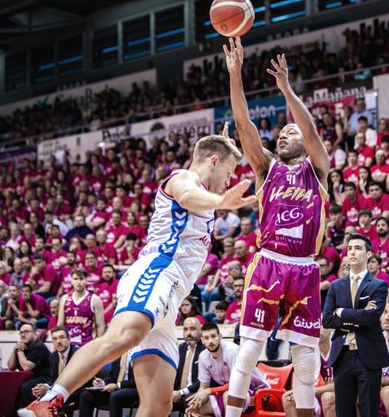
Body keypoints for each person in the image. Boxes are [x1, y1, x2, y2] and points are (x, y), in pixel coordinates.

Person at [23, 131, 252, 416]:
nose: (230, 181)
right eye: (229, 172)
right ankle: (49, 400)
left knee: (159, 403)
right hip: (157, 271)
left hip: (171, 299)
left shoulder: (207, 195)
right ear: (214, 162)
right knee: (123, 336)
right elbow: (188, 195)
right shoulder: (184, 179)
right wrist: (221, 202)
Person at [224, 37, 330, 417]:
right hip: (269, 261)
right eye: (281, 133)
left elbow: (312, 131)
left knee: (305, 361)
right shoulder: (265, 168)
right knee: (249, 349)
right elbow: (243, 123)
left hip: (304, 267)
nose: (283, 134)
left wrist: (286, 89)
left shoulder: (316, 168)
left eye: (290, 132)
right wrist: (235, 75)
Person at [323, 233, 389, 417]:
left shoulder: (379, 285)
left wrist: (342, 312)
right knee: (343, 411)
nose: (352, 252)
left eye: (358, 248)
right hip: (342, 354)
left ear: (368, 254)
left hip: (368, 354)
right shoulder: (335, 285)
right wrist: (360, 315)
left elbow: (371, 318)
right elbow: (327, 319)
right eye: (350, 248)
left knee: (369, 410)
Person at [185, 322, 267, 416]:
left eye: (213, 336)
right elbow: (203, 387)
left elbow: (236, 383)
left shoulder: (231, 350)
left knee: (229, 396)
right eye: (207, 338)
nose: (210, 341)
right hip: (228, 391)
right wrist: (197, 402)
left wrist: (210, 391)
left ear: (220, 336)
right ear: (202, 340)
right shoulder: (203, 356)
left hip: (256, 391)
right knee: (195, 409)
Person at [32, 326, 81, 413]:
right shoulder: (53, 356)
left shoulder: (77, 354)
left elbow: (76, 381)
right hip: (60, 391)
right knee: (39, 397)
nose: (58, 342)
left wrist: (50, 390)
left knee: (58, 400)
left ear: (69, 339)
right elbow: (53, 379)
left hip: (77, 391)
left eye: (61, 337)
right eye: (54, 339)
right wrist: (45, 387)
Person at [78, 352, 137, 417]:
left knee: (115, 396)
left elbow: (136, 380)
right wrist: (102, 383)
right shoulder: (119, 352)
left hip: (134, 388)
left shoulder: (138, 352)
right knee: (86, 394)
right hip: (115, 388)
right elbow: (112, 376)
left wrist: (118, 386)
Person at [57, 268, 105, 347]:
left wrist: (99, 346)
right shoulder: (64, 299)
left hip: (88, 344)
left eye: (81, 279)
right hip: (68, 344)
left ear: (86, 280)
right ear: (71, 281)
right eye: (75, 279)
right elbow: (60, 324)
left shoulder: (95, 299)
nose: (78, 282)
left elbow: (100, 326)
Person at [11, 323, 52, 407]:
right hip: (32, 378)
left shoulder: (38, 347)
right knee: (12, 385)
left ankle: (31, 412)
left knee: (26, 387)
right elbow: (11, 367)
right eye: (21, 332)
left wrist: (19, 350)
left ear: (34, 333)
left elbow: (26, 367)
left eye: (26, 332)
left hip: (46, 379)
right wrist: (14, 349)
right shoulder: (24, 346)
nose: (22, 335)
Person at [172, 317, 205, 414]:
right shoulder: (180, 348)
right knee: (158, 399)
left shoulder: (205, 349)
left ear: (200, 330)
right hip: (179, 392)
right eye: (185, 329)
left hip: (196, 391)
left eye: (193, 329)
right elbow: (175, 375)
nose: (188, 333)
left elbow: (202, 381)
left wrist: (181, 392)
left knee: (188, 399)